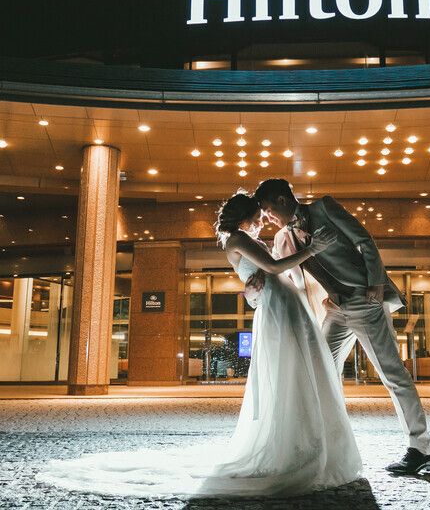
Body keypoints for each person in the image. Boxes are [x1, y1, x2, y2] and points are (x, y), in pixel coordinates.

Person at [36, 192, 362, 499]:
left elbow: (269, 274)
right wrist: (313, 249)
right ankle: (294, 445)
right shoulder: (237, 239)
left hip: (285, 303)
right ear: (245, 216)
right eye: (258, 215)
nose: (262, 219)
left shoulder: (248, 239)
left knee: (299, 370)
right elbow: (275, 268)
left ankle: (305, 439)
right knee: (289, 371)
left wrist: (259, 287)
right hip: (279, 307)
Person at [250, 179, 430, 475]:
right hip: (335, 309)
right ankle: (324, 445)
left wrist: (376, 283)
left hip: (364, 301)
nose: (268, 218)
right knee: (319, 373)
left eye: (269, 210)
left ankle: (421, 449)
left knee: (393, 375)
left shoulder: (324, 208)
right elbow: (279, 269)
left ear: (283, 200)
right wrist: (258, 277)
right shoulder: (283, 237)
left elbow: (364, 240)